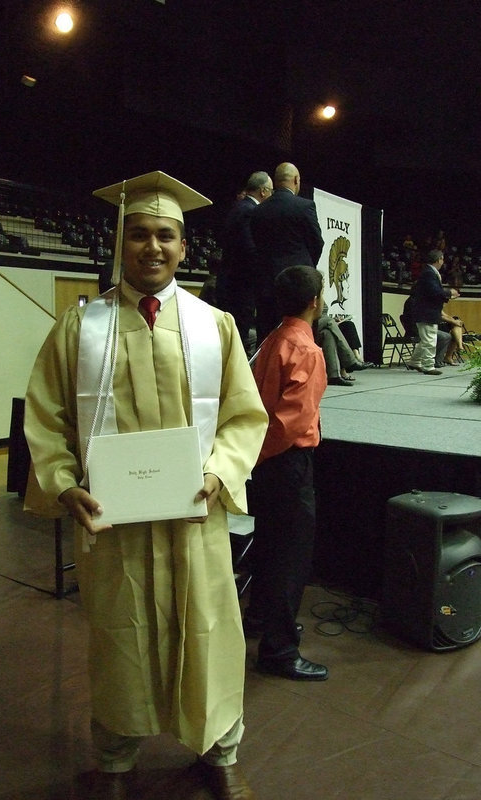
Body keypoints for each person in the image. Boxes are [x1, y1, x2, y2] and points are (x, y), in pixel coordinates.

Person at [24, 171, 268, 800]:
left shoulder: (215, 326)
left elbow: (244, 417)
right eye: (138, 234)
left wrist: (219, 472)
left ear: (184, 247)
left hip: (195, 516)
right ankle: (114, 762)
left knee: (211, 633)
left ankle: (221, 753)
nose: (152, 247)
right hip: (116, 522)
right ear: (121, 242)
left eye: (165, 235)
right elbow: (47, 418)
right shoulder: (80, 328)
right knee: (120, 642)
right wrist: (63, 485)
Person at [244, 265, 329, 681]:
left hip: (264, 462)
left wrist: (253, 457)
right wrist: (265, 455)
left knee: (267, 545)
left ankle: (260, 619)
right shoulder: (307, 350)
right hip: (287, 462)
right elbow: (290, 424)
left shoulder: (272, 339)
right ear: (314, 301)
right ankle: (279, 650)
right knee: (290, 558)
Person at [250, 162, 324, 344]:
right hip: (300, 287)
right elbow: (317, 242)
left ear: (275, 182)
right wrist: (306, 268)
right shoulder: (305, 206)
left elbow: (256, 245)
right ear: (296, 180)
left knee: (267, 339)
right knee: (301, 338)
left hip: (268, 285)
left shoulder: (258, 211)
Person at [217, 171, 274, 356]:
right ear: (263, 191)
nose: (272, 195)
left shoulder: (238, 207)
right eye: (271, 191)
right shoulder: (250, 211)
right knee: (238, 338)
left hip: (230, 283)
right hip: (240, 287)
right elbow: (249, 250)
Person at [406, 249, 459, 375]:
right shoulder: (429, 273)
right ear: (438, 259)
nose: (443, 261)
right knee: (430, 340)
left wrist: (448, 295)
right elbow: (433, 291)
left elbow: (433, 293)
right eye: (442, 259)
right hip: (426, 312)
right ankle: (428, 366)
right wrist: (449, 293)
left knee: (426, 340)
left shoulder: (429, 272)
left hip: (427, 312)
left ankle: (414, 362)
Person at [315, 308, 374, 385]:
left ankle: (334, 376)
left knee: (329, 333)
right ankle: (351, 361)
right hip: (305, 325)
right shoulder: (312, 300)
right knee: (330, 321)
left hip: (318, 325)